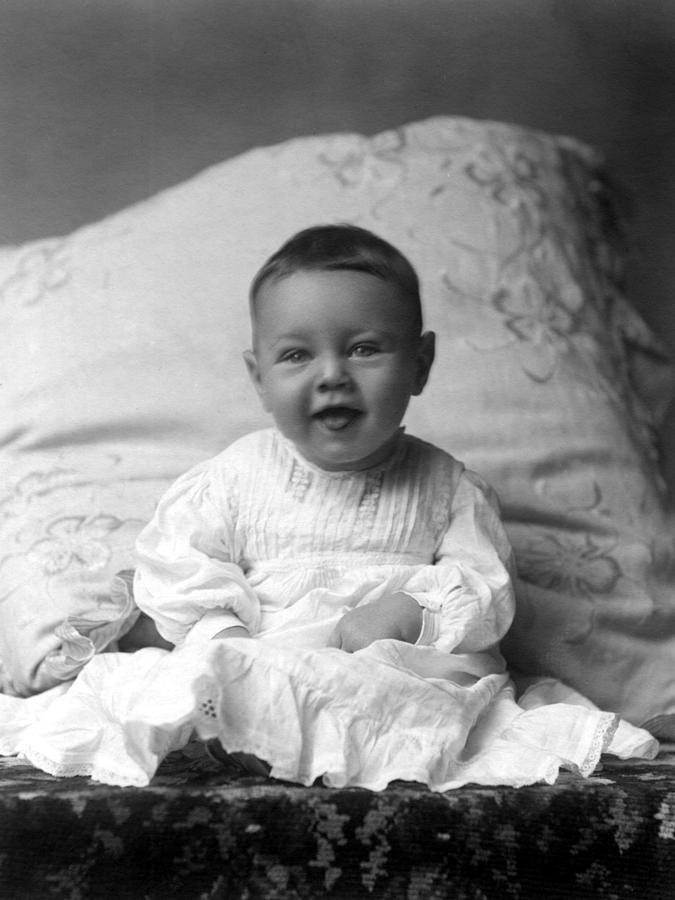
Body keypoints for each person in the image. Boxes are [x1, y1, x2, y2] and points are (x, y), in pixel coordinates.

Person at [1, 224, 657, 788]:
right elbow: (180, 566)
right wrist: (221, 634)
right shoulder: (232, 477)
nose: (332, 374)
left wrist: (411, 612)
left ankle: (329, 745)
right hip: (264, 646)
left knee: (419, 702)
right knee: (202, 674)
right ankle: (239, 732)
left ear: (420, 364)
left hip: (394, 661)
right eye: (295, 355)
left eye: (365, 348)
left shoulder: (446, 486)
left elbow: (484, 588)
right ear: (259, 379)